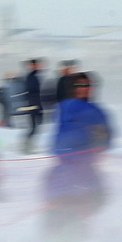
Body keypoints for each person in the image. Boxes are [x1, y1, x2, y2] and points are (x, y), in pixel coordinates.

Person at [45, 72, 113, 226]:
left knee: (91, 200)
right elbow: (58, 138)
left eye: (88, 85)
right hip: (66, 168)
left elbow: (106, 138)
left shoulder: (94, 110)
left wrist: (97, 143)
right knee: (65, 202)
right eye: (80, 85)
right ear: (72, 87)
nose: (85, 88)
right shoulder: (64, 107)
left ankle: (77, 232)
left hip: (84, 168)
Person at [22, 58, 43, 154]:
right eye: (34, 65)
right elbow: (32, 92)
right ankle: (26, 146)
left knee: (35, 127)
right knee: (34, 127)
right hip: (33, 105)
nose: (37, 67)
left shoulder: (33, 76)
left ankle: (27, 145)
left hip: (34, 104)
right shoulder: (31, 77)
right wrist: (36, 105)